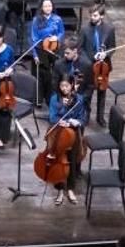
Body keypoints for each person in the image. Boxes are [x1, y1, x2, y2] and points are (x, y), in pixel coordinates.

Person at [44, 74, 88, 206]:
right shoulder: (55, 98)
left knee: (72, 160)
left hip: (72, 132)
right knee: (58, 160)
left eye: (67, 86)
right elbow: (52, 117)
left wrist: (75, 122)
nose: (64, 88)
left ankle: (70, 189)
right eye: (61, 86)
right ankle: (59, 189)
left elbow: (82, 118)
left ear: (72, 85)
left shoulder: (79, 99)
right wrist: (62, 111)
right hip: (57, 131)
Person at [78, 4, 117, 126]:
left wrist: (106, 54)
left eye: (95, 15)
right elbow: (80, 49)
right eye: (91, 15)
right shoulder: (84, 29)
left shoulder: (109, 29)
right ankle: (86, 115)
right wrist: (89, 60)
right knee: (88, 92)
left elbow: (112, 47)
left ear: (102, 16)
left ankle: (100, 117)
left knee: (102, 91)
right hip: (89, 66)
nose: (92, 17)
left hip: (103, 67)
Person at [28, 0, 66, 105]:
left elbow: (62, 32)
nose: (48, 8)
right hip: (40, 49)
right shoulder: (36, 20)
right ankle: (39, 100)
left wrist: (57, 38)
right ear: (41, 7)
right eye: (45, 6)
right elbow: (33, 38)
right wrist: (35, 55)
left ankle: (50, 98)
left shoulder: (57, 19)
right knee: (40, 76)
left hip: (53, 49)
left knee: (51, 76)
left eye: (49, 6)